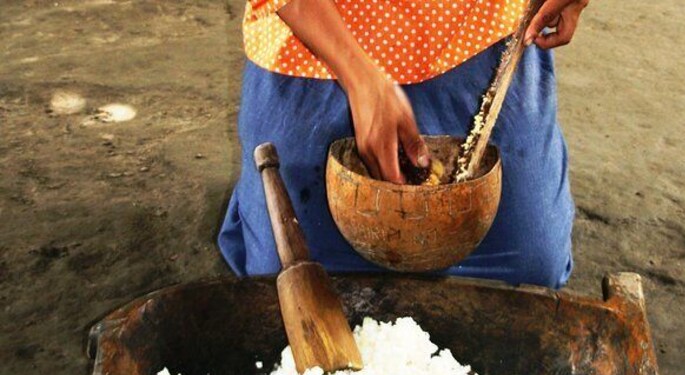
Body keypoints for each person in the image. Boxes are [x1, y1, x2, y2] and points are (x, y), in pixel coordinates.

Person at [219, 0, 590, 288]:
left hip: (476, 30)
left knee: (531, 270)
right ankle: (252, 199)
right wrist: (360, 78)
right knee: (288, 278)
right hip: (314, 36)